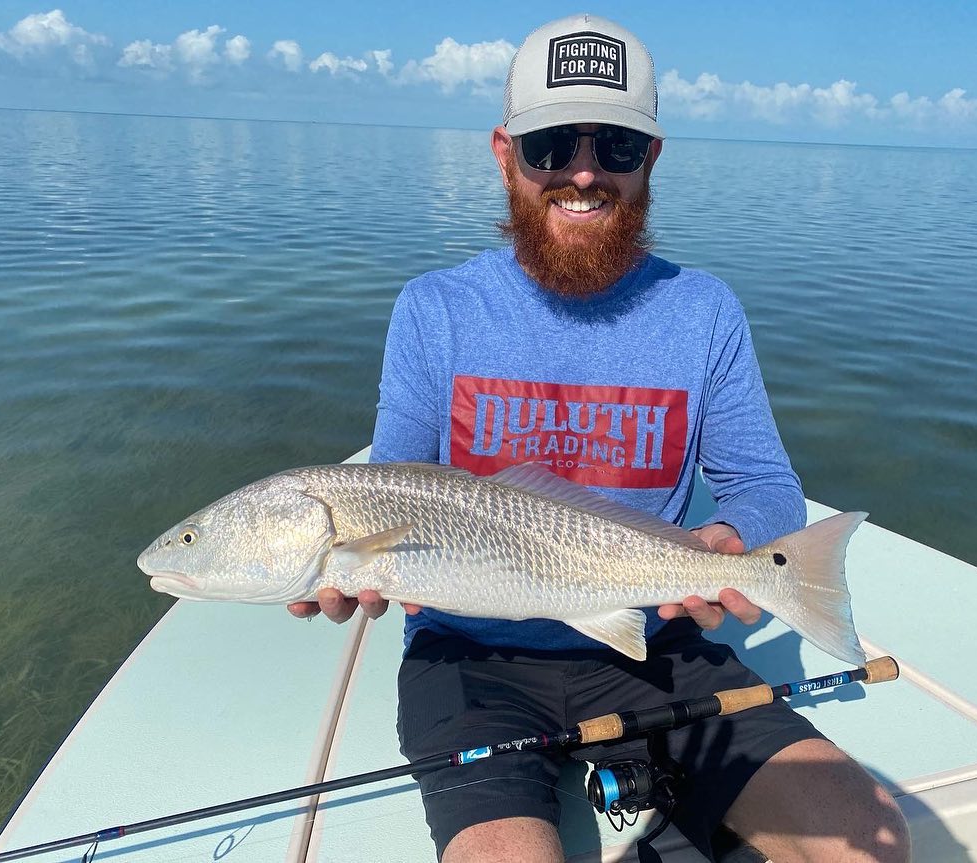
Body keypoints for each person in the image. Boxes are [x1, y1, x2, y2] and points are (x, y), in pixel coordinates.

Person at [289, 13, 910, 863]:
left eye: (615, 145)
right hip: (471, 653)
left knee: (865, 840)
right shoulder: (434, 308)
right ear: (505, 153)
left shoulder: (703, 311)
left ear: (650, 158)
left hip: (656, 635)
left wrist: (738, 540)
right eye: (551, 145)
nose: (582, 172)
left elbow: (762, 479)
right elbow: (395, 482)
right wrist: (343, 566)